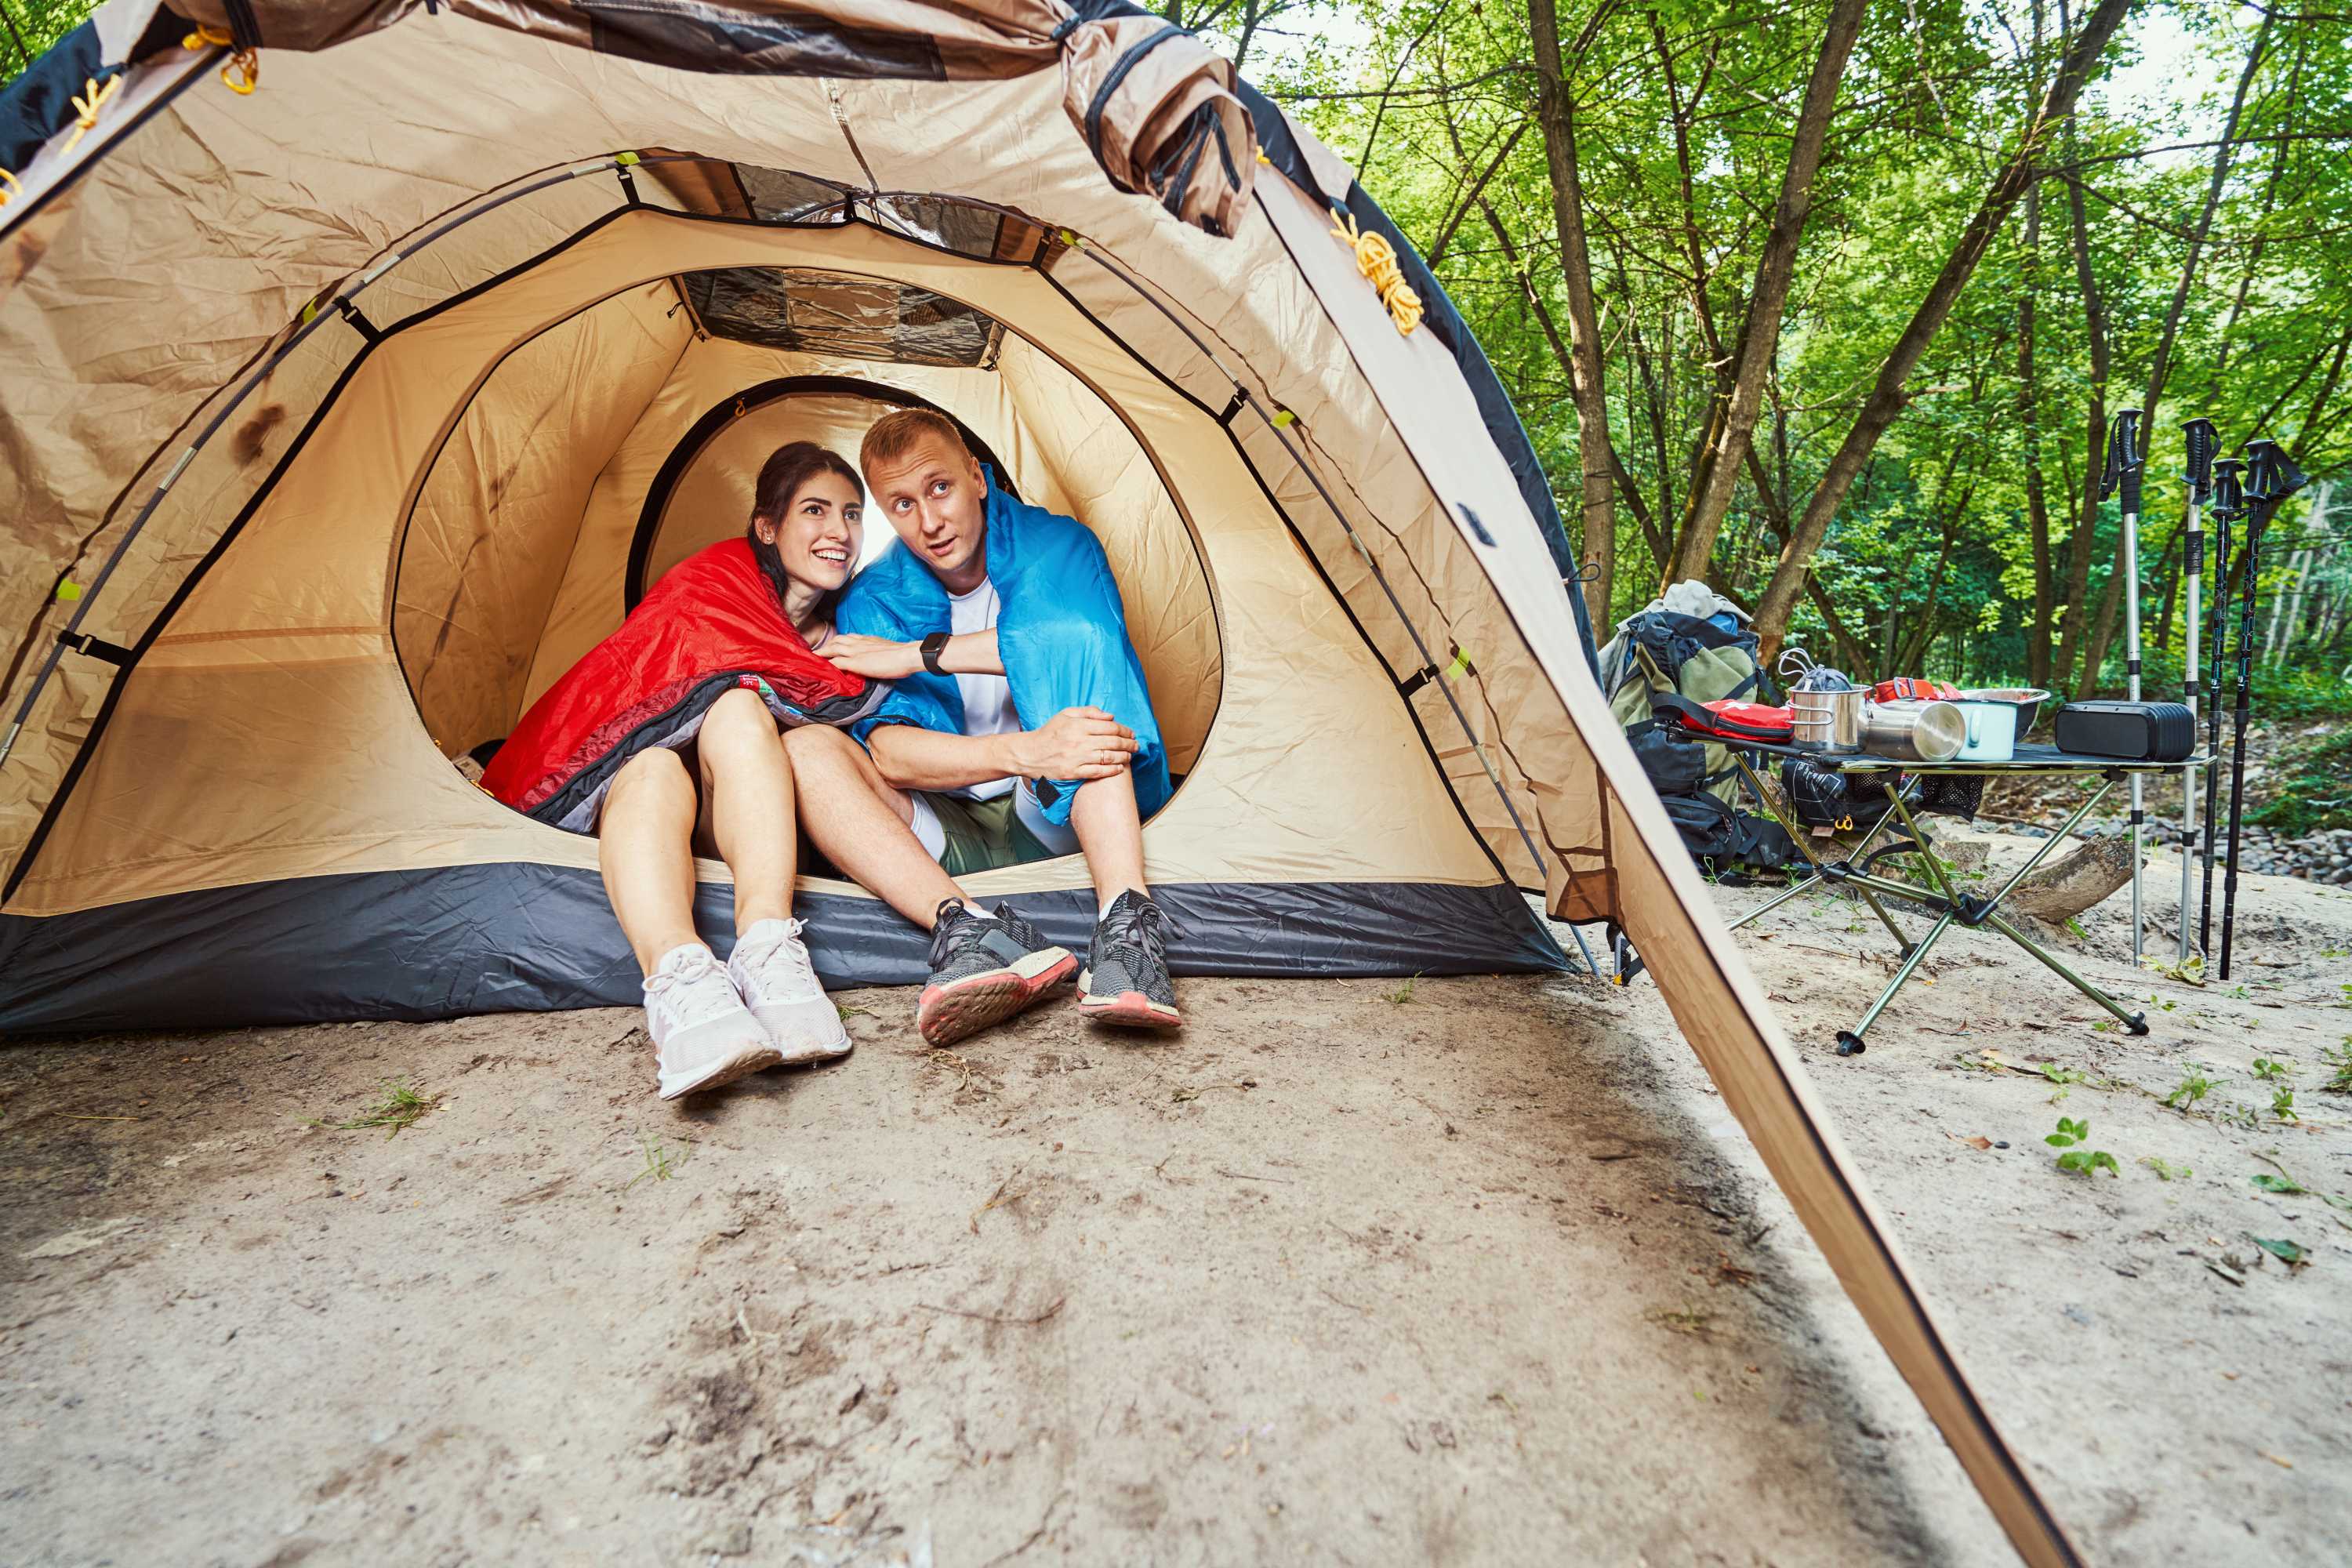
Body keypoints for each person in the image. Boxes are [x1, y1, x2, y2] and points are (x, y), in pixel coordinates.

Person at [479, 443, 885, 1099]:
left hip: (749, 822)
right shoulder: (715, 580)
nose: (839, 531)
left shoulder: (859, 624)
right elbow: (634, 676)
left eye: (852, 514)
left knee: (738, 709)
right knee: (651, 765)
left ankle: (768, 949)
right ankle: (680, 980)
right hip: (660, 810)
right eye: (815, 511)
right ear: (767, 528)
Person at [790, 407, 1179, 1047]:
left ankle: (1127, 930)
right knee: (806, 749)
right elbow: (890, 753)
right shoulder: (875, 595)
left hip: (1058, 812)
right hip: (943, 825)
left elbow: (1071, 640)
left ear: (976, 477)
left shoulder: (1058, 544)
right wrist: (1023, 751)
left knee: (1085, 710)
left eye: (940, 488)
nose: (930, 522)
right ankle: (973, 929)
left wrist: (919, 655)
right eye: (903, 505)